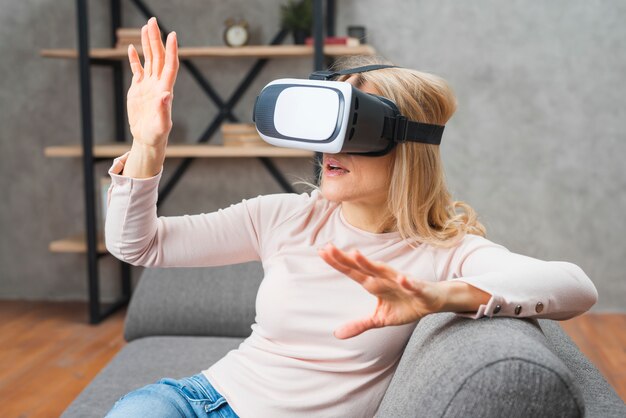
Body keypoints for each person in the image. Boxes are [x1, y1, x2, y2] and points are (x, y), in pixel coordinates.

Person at [104, 17, 598, 418]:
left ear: (404, 145)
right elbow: (138, 246)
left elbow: (574, 285)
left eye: (350, 128)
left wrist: (436, 297)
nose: (328, 149)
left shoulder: (445, 253)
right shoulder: (284, 217)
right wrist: (148, 144)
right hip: (191, 402)